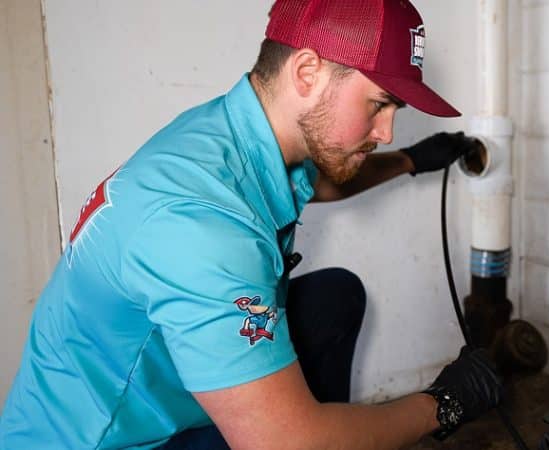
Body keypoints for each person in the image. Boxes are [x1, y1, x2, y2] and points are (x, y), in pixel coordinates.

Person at [0, 0, 503, 448]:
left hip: (155, 387)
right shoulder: (200, 225)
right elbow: (287, 443)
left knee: (334, 298)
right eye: (378, 104)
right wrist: (443, 403)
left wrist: (411, 160)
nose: (386, 129)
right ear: (308, 72)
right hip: (111, 438)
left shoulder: (233, 133)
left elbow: (321, 180)